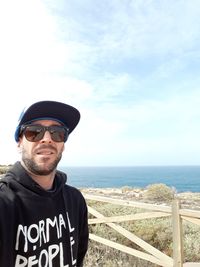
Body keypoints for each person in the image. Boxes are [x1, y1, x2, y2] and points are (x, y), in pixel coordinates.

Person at [0, 100, 89, 267]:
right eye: (34, 132)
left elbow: (79, 256)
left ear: (63, 145)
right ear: (19, 142)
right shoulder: (4, 203)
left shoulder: (75, 200)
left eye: (57, 133)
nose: (47, 139)